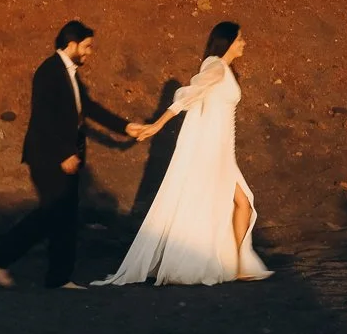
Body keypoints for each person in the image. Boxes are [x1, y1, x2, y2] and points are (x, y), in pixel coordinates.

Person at [94, 21, 271, 286]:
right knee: (240, 202)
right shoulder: (215, 67)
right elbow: (186, 97)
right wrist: (158, 124)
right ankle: (232, 265)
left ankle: (236, 264)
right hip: (212, 152)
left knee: (241, 202)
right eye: (240, 39)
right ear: (228, 42)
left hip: (223, 152)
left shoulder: (226, 69)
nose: (244, 43)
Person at [0, 20, 133, 289]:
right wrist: (64, 153)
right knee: (53, 214)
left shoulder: (70, 74)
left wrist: (125, 127)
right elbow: (44, 117)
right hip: (47, 156)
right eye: (87, 46)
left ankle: (58, 278)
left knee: (64, 217)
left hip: (64, 155)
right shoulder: (49, 71)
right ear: (72, 44)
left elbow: (88, 108)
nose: (90, 52)